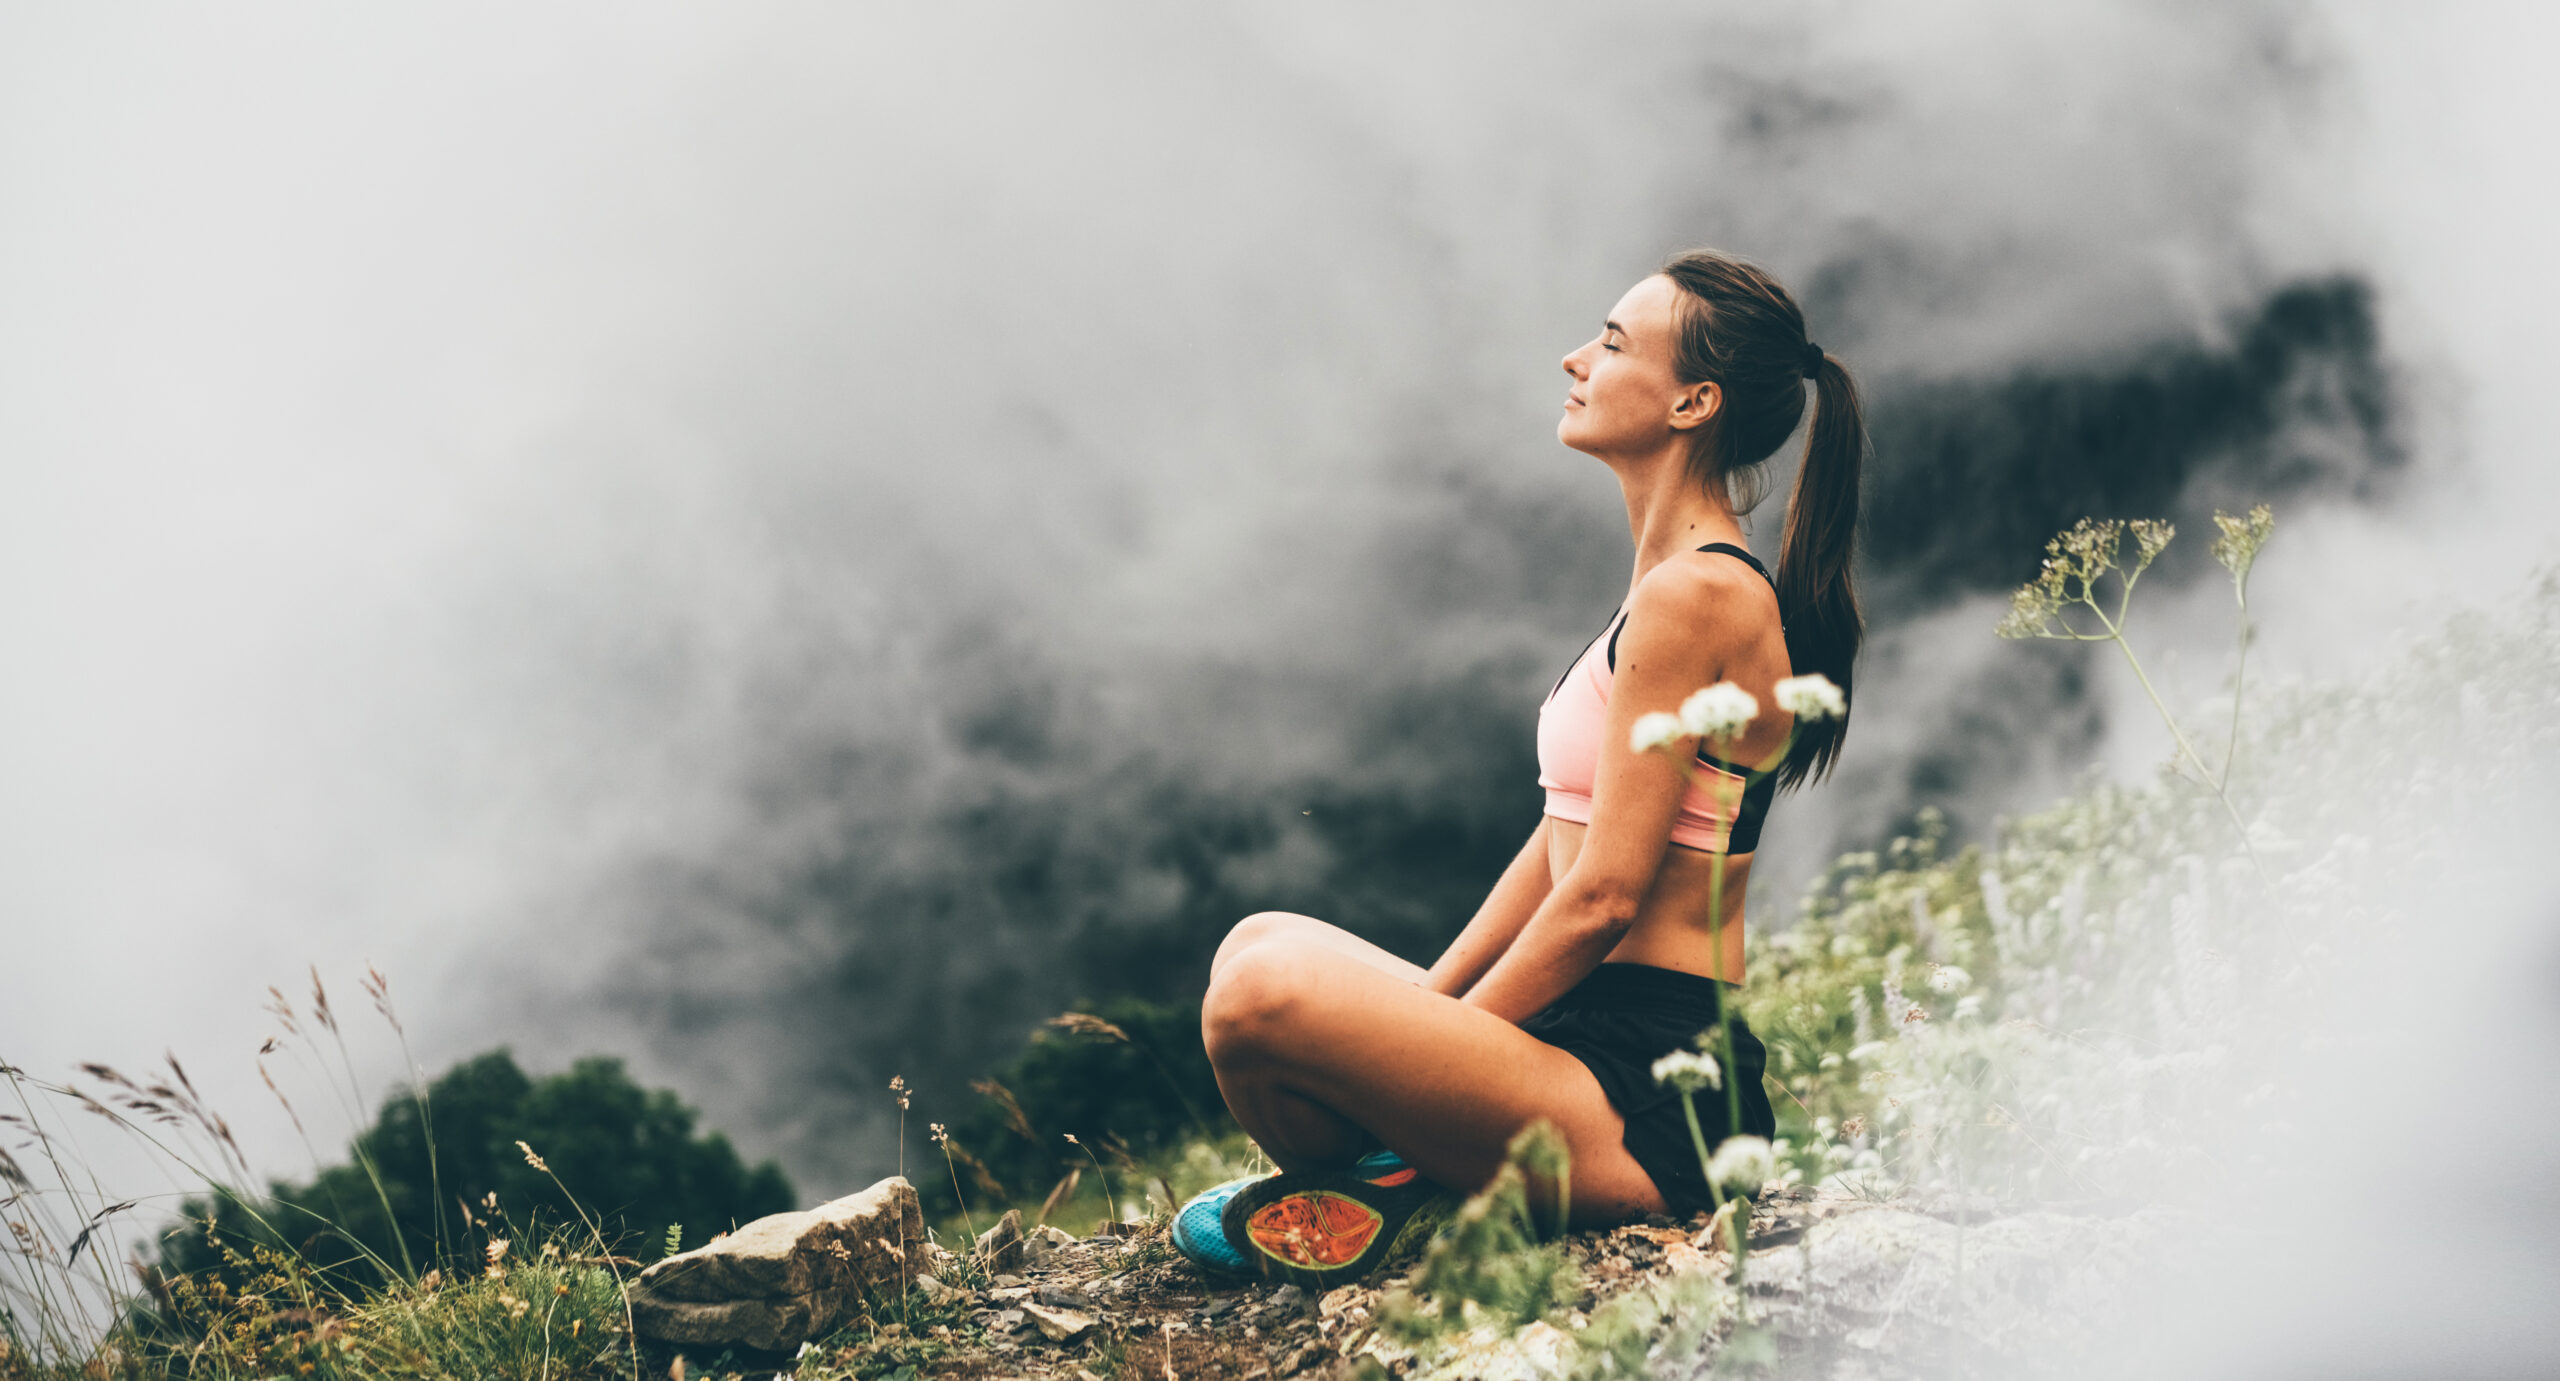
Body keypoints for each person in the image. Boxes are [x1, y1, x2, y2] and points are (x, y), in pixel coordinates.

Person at [1177, 249, 1866, 1284]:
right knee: (1258, 940)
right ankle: (1404, 1178)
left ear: (1693, 401)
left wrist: (1431, 1047)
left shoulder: (1700, 596)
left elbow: (1602, 896)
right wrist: (1432, 1030)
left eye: (1614, 342)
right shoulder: (1666, 588)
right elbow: (1556, 851)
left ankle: (1396, 1183)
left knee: (1258, 998)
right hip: (1573, 1039)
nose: (1575, 358)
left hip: (1648, 1092)